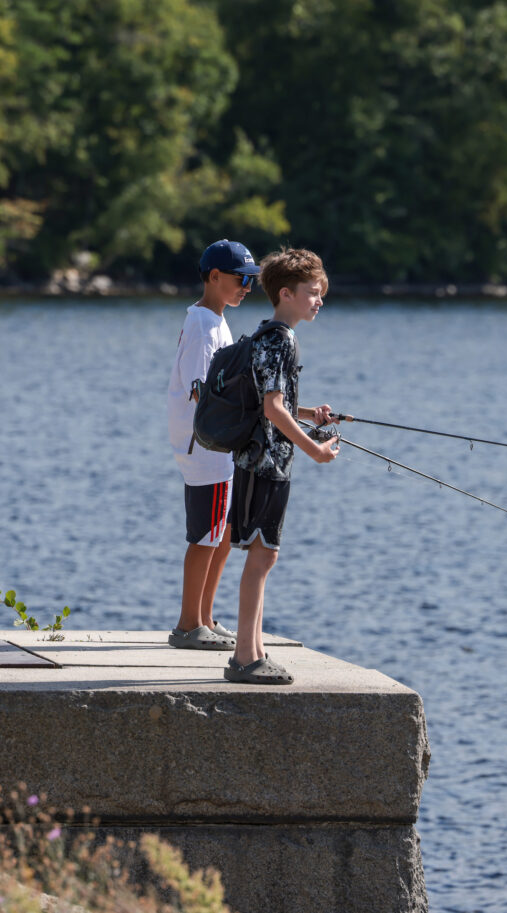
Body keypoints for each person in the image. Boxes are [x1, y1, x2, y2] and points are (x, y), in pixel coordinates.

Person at [225, 248, 338, 685]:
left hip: (264, 460)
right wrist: (314, 449)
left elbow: (272, 403)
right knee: (262, 556)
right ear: (286, 294)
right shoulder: (281, 340)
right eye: (313, 292)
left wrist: (309, 414)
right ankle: (244, 658)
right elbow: (272, 409)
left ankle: (251, 650)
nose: (319, 300)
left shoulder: (268, 333)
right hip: (264, 462)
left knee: (263, 555)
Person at [166, 239, 259, 650]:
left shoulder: (214, 320)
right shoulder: (204, 325)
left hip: (216, 446)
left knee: (221, 533)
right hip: (205, 446)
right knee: (205, 534)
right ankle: (188, 625)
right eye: (241, 280)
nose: (246, 288)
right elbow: (202, 392)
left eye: (252, 282)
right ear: (214, 276)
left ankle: (204, 617)